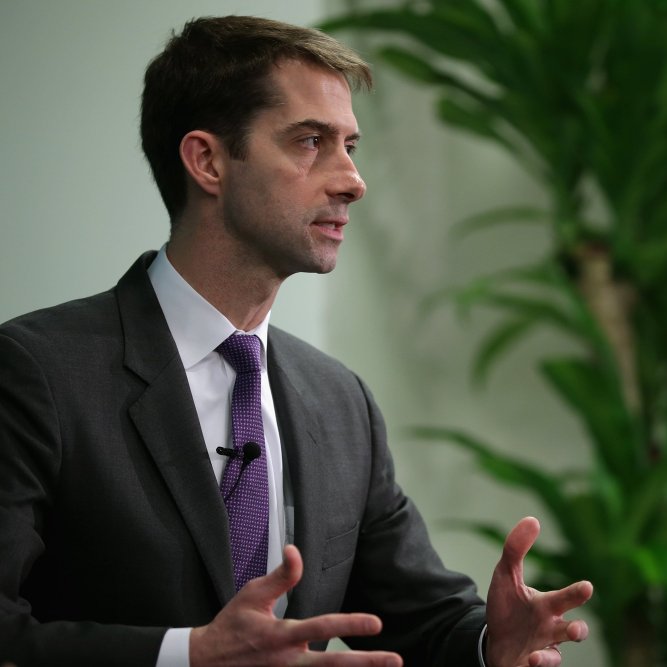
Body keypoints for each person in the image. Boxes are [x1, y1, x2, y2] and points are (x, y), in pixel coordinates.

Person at [0, 15, 592, 667]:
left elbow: (418, 615)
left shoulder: (340, 401)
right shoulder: (37, 373)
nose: (351, 180)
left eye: (351, 147)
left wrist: (489, 642)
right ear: (207, 161)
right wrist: (188, 655)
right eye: (311, 142)